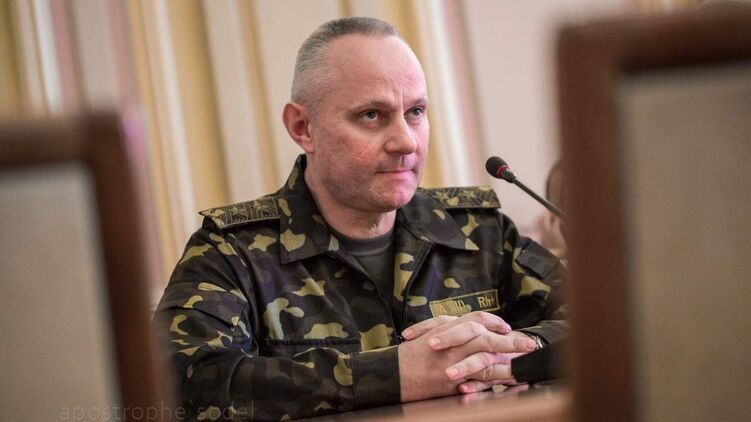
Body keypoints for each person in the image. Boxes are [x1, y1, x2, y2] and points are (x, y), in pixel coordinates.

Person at [155, 17, 566, 421]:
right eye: (372, 115)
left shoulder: (479, 231)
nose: (405, 141)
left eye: (416, 111)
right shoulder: (232, 252)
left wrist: (512, 351)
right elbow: (177, 383)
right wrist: (391, 374)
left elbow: (597, 318)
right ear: (303, 127)